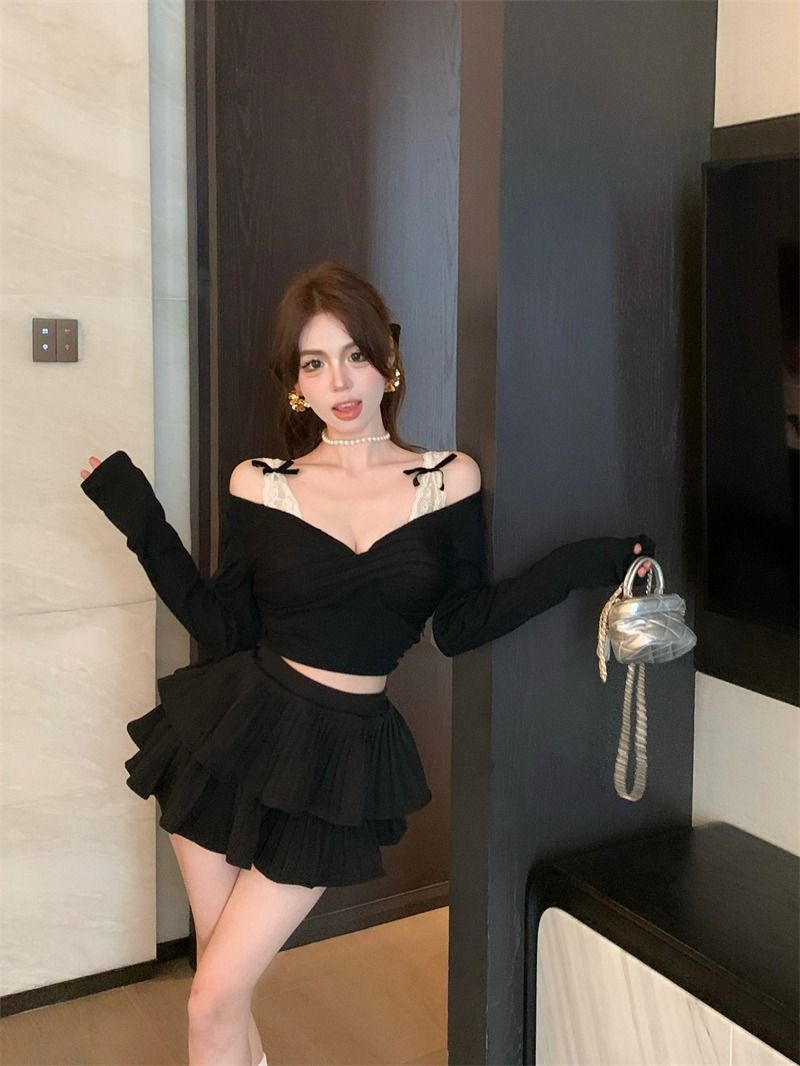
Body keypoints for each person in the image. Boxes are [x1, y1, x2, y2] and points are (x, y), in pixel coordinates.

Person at [79, 260, 656, 1066]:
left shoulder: (448, 480)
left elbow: (461, 623)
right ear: (296, 385)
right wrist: (137, 514)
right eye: (314, 363)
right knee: (218, 992)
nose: (340, 382)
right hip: (229, 733)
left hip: (337, 756)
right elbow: (220, 623)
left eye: (354, 355)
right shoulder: (261, 483)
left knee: (213, 994)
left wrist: (585, 563)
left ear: (389, 357)